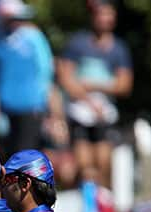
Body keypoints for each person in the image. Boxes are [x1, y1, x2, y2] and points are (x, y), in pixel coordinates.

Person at [57, 0, 133, 185]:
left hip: (105, 115)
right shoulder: (77, 44)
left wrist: (93, 85)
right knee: (84, 166)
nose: (104, 19)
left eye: (108, 14)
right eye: (101, 14)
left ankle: (104, 207)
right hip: (79, 113)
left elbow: (124, 86)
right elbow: (65, 78)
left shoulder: (119, 49)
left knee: (104, 163)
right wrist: (88, 100)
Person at [0, 1, 57, 157]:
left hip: (31, 109)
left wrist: (54, 114)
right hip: (6, 112)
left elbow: (46, 75)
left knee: (26, 156)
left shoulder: (34, 38)